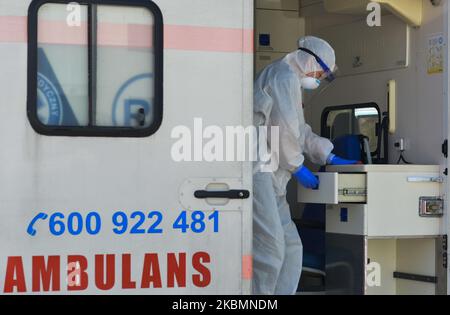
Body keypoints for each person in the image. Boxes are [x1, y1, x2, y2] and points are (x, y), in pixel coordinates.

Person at [253, 36, 359, 295]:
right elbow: (285, 131)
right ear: (311, 59)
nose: (319, 78)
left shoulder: (290, 79)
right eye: (322, 72)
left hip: (274, 176)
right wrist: (298, 166)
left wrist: (329, 156)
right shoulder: (282, 77)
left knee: (291, 247)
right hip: (260, 172)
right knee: (271, 246)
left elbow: (299, 130)